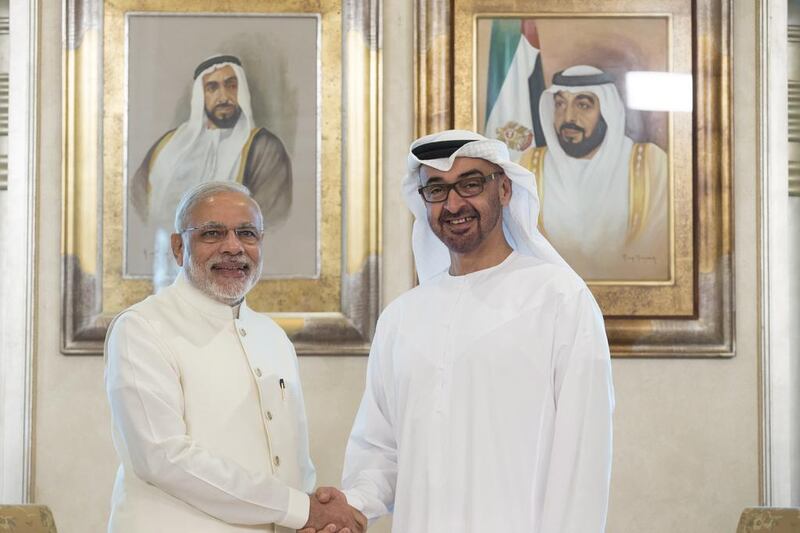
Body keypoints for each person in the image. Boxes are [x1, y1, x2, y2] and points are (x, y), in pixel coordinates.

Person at [302, 130, 615, 533]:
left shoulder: (559, 299)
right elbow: (381, 451)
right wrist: (352, 504)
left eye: (469, 184)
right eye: (437, 189)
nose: (453, 204)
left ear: (503, 189)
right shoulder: (401, 317)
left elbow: (582, 458)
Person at [105, 182, 364, 533]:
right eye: (212, 233)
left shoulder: (272, 337)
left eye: (247, 233)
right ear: (179, 247)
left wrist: (315, 515)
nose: (233, 247)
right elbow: (162, 457)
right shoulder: (142, 328)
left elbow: (293, 462)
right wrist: (300, 509)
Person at [130, 54, 293, 289]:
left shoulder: (264, 147)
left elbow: (272, 219)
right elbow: (142, 208)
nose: (223, 96)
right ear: (201, 95)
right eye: (212, 87)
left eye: (231, 85)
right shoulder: (167, 147)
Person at [519, 65, 669, 281]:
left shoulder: (650, 165)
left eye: (583, 105)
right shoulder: (527, 167)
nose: (568, 116)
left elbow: (657, 248)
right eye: (560, 103)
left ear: (606, 111)